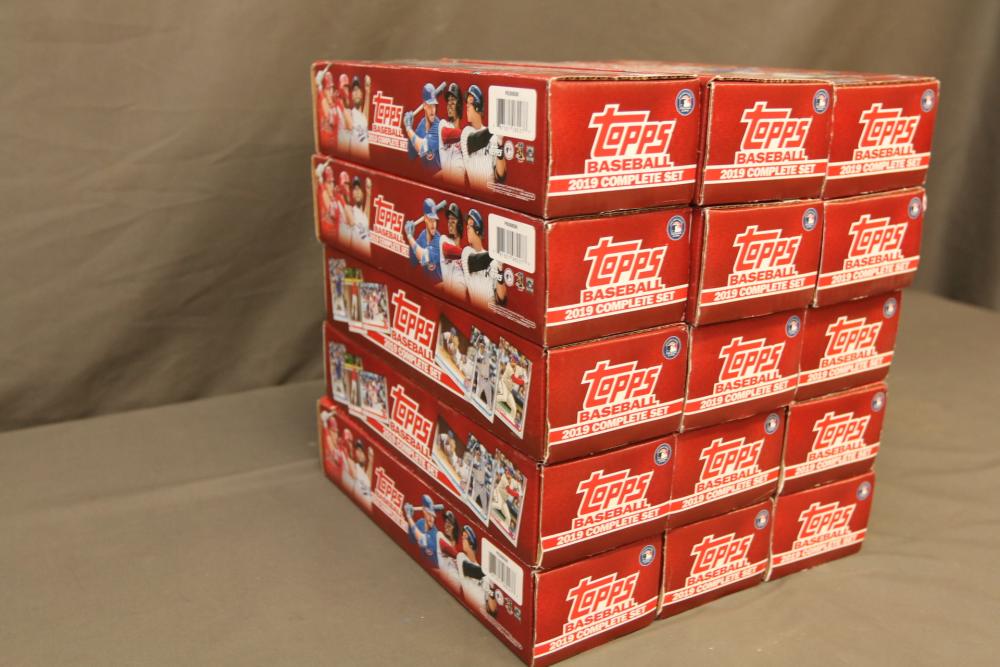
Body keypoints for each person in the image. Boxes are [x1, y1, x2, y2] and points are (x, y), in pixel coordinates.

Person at [461, 210, 507, 308]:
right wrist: (497, 253)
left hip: (491, 312)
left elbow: (501, 298)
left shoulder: (493, 261)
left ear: (477, 229)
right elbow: (476, 262)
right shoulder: (466, 252)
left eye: (470, 225)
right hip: (478, 309)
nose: (467, 227)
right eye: (467, 225)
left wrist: (500, 271)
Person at [403, 82, 444, 174]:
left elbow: (422, 148)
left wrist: (408, 128)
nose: (433, 110)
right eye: (430, 106)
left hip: (439, 177)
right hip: (426, 176)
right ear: (424, 106)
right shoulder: (421, 125)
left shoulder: (438, 126)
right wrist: (410, 128)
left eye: (434, 105)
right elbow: (411, 155)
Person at [404, 198, 445, 283]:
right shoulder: (422, 236)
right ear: (425, 219)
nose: (433, 225)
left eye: (435, 220)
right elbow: (413, 261)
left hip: (440, 286)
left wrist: (409, 236)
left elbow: (424, 257)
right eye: (430, 220)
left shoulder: (439, 240)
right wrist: (412, 235)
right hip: (427, 284)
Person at [405, 494, 444, 568]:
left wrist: (409, 517)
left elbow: (421, 539)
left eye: (433, 515)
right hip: (419, 564)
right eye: (429, 514)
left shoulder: (435, 535)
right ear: (424, 512)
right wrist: (410, 521)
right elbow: (411, 540)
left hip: (434, 570)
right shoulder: (420, 522)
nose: (431, 518)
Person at [438, 83, 465, 186]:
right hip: (449, 185)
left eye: (453, 100)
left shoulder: (465, 139)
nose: (449, 103)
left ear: (459, 106)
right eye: (448, 101)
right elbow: (445, 136)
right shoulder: (443, 124)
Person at [439, 203, 467, 299]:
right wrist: (467, 255)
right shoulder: (444, 239)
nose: (450, 222)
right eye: (449, 219)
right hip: (450, 297)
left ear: (460, 225)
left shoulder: (465, 253)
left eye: (453, 219)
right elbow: (447, 251)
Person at [341, 75, 371, 159]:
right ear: (351, 96)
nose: (356, 92)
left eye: (358, 89)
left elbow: (365, 117)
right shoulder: (349, 113)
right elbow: (348, 121)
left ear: (362, 94)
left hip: (366, 161)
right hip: (355, 161)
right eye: (354, 90)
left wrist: (368, 91)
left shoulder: (363, 117)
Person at [342, 176, 372, 256]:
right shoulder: (350, 210)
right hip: (356, 256)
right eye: (355, 189)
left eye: (359, 189)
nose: (357, 192)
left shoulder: (364, 215)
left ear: (363, 193)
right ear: (352, 194)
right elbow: (347, 210)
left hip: (367, 257)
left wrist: (368, 192)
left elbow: (366, 216)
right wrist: (344, 193)